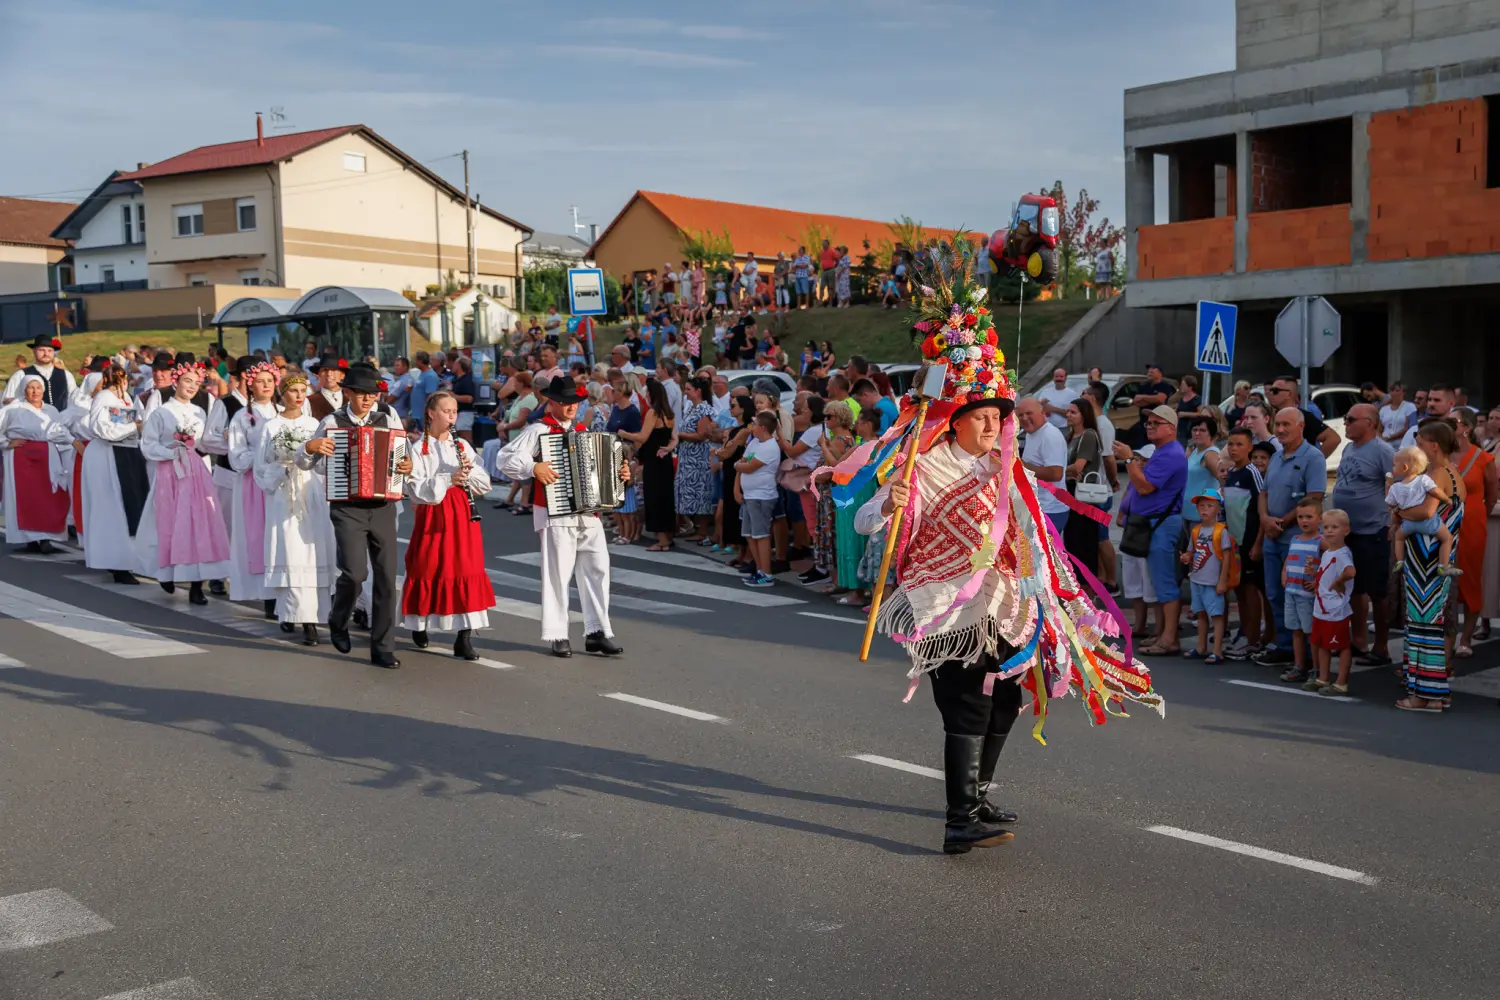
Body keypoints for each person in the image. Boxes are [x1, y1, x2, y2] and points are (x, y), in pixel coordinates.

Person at [855, 291, 1162, 855]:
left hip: (1003, 602)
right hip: (945, 603)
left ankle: (977, 797)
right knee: (969, 698)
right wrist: (888, 502)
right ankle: (958, 818)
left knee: (1003, 698)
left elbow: (1031, 530)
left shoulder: (1006, 467)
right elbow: (867, 524)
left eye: (1000, 417)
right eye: (986, 417)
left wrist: (1050, 588)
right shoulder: (925, 464)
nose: (997, 425)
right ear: (958, 420)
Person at [495, 376, 629, 658]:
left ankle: (597, 631)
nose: (571, 407)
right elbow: (505, 458)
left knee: (598, 570)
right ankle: (558, 633)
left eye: (575, 402)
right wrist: (534, 467)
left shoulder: (584, 430)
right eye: (566, 402)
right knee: (558, 573)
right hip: (556, 513)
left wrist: (620, 475)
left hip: (588, 513)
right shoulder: (539, 430)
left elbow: (602, 473)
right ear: (552, 403)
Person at [297, 362, 413, 669]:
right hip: (347, 507)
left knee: (387, 578)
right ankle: (339, 617)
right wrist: (310, 447)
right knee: (354, 573)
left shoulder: (388, 415)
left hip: (384, 505)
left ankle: (383, 647)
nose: (368, 399)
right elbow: (307, 462)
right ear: (347, 392)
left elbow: (404, 451)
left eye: (372, 393)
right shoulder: (331, 421)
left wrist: (406, 465)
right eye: (361, 393)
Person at [399, 391, 496, 661]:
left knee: (467, 567)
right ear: (432, 414)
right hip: (433, 513)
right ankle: (419, 623)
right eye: (446, 411)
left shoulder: (462, 446)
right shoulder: (418, 449)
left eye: (454, 411)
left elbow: (484, 483)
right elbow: (416, 490)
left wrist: (469, 472)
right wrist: (447, 479)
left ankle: (463, 637)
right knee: (427, 566)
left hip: (463, 513)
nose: (452, 416)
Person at [133, 362, 231, 605]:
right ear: (176, 381)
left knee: (199, 524)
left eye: (197, 383)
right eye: (188, 381)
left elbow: (204, 442)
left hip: (195, 471)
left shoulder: (200, 412)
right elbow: (148, 444)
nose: (192, 386)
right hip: (169, 472)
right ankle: (166, 572)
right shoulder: (161, 412)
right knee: (169, 522)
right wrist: (171, 452)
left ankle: (197, 584)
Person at [1397, 420, 1465, 712]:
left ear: (1433, 445)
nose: (1416, 446)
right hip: (1434, 560)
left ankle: (1426, 696)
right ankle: (1435, 690)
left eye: (1420, 441)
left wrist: (1399, 511)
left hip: (1427, 562)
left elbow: (1425, 511)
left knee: (1424, 626)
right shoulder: (1453, 472)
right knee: (1428, 626)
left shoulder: (1438, 473)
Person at [1253, 408, 1328, 667]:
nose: (1281, 429)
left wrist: (1283, 522)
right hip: (1273, 538)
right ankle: (1286, 646)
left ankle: (1306, 652)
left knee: (1300, 597)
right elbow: (1263, 492)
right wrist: (1265, 519)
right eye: (1278, 424)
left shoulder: (1313, 457)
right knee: (1275, 594)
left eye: (1286, 424)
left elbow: (1315, 497)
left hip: (1300, 541)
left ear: (1301, 426)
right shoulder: (1275, 457)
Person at [1112, 405, 1188, 655]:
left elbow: (1144, 487)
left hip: (1161, 525)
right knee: (1158, 582)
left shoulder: (1170, 454)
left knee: (1165, 584)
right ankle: (1162, 635)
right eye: (1149, 423)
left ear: (1171, 428)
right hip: (1154, 523)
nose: (1150, 426)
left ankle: (1169, 639)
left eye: (1157, 423)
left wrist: (1129, 459)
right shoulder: (1163, 452)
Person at [1330, 404, 1395, 666]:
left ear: (1369, 423)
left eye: (1350, 419)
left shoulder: (1383, 451)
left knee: (1377, 591)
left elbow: (1398, 486)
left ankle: (1381, 647)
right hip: (1349, 532)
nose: (1345, 423)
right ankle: (1358, 640)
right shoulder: (1349, 448)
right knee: (1354, 588)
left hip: (1372, 530)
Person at [81, 365, 148, 583]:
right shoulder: (103, 397)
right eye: (116, 379)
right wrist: (133, 428)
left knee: (128, 505)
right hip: (108, 456)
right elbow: (102, 428)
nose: (121, 382)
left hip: (126, 453)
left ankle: (128, 558)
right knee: (112, 507)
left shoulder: (127, 398)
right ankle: (115, 561)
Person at [224, 361, 280, 612]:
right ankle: (266, 594)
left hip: (282, 480)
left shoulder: (283, 412)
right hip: (253, 484)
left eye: (270, 380)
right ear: (251, 384)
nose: (266, 385)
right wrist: (261, 456)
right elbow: (236, 454)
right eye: (260, 381)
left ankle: (283, 587)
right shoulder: (243, 416)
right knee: (259, 535)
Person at [1, 374, 74, 553]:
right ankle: (29, 537)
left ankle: (46, 537)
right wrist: (6, 443)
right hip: (21, 458)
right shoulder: (13, 409)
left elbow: (60, 431)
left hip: (47, 456)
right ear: (24, 389)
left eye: (38, 388)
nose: (35, 391)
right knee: (27, 496)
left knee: (49, 496)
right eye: (31, 388)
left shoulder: (51, 410)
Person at [1448, 408, 1496, 656]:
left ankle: (1466, 639)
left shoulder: (1482, 458)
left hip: (1471, 523)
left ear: (1465, 427)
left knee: (1470, 578)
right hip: (1443, 524)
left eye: (1452, 421)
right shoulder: (1440, 454)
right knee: (1443, 580)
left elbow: (1492, 492)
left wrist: (1478, 515)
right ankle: (1446, 639)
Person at [1218, 428, 1268, 659]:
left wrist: (1257, 543)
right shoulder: (1230, 474)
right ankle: (1247, 634)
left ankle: (1254, 640)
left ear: (1250, 447)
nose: (1234, 448)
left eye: (1239, 444)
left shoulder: (1252, 473)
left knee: (1251, 590)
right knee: (1238, 588)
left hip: (1249, 543)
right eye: (1231, 444)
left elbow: (1261, 509)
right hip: (1233, 543)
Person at [617, 378, 676, 552]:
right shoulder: (669, 414)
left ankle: (662, 540)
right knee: (665, 499)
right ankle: (667, 537)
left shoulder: (653, 413)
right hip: (664, 460)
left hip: (653, 461)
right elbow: (674, 437)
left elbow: (643, 437)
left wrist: (624, 433)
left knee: (655, 499)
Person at [1305, 509, 1356, 695]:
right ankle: (1323, 678)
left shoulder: (1342, 553)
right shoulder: (1329, 552)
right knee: (1321, 644)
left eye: (1335, 527)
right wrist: (1315, 575)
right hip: (1322, 608)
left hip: (1336, 609)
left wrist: (1339, 582)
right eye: (1326, 527)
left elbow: (1350, 572)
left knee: (1341, 645)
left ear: (1346, 530)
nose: (1329, 531)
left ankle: (1341, 682)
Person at [1180, 488, 1234, 663]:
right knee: (1201, 614)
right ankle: (1201, 647)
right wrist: (1186, 557)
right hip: (1197, 578)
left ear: (1218, 509)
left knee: (1216, 615)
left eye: (1210, 506)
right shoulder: (1197, 531)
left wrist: (1222, 580)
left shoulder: (1221, 531)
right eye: (1201, 506)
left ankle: (1217, 650)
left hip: (1212, 581)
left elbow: (1226, 557)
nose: (1205, 509)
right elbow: (1192, 551)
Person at [1387, 446, 1457, 573]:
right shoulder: (1424, 479)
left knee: (1399, 538)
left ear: (1404, 468)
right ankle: (1443, 566)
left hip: (1407, 524)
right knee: (1447, 538)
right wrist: (1447, 500)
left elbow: (1391, 505)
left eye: (1393, 465)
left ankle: (1400, 561)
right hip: (1427, 523)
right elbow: (1435, 491)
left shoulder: (1395, 487)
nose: (1392, 468)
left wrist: (1388, 488)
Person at [1278, 497, 1324, 683]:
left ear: (1320, 519)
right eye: (1300, 517)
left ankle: (1316, 668)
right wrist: (1284, 573)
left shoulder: (1321, 541)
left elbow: (1330, 564)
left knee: (1310, 631)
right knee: (1295, 629)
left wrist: (1318, 581)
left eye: (1309, 517)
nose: (1304, 521)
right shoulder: (1295, 539)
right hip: (1292, 591)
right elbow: (1289, 559)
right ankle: (1299, 666)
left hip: (1307, 595)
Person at [734, 411, 782, 588]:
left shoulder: (770, 446)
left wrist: (738, 465)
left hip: (762, 497)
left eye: (754, 425)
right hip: (750, 496)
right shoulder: (754, 442)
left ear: (762, 428)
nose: (751, 428)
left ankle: (767, 574)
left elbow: (748, 466)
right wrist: (740, 466)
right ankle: (760, 570)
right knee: (749, 533)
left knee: (761, 535)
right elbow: (743, 461)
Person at [674, 376, 719, 542]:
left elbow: (703, 434)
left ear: (698, 391)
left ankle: (703, 530)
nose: (685, 393)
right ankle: (696, 527)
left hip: (698, 458)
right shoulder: (692, 409)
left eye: (688, 389)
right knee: (690, 493)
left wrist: (680, 435)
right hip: (688, 457)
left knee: (700, 493)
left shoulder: (703, 410)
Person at [1063, 398, 1104, 575]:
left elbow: (1078, 466)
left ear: (1084, 415)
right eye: (1068, 411)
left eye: (1073, 412)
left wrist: (1061, 471)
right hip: (1071, 491)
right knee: (1072, 540)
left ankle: (1088, 585)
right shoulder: (1071, 435)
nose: (1068, 415)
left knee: (1084, 541)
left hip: (1084, 494)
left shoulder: (1088, 435)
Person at [1016, 399, 1069, 532]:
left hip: (1049, 510)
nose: (1024, 418)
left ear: (1042, 413)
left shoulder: (1050, 435)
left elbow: (1056, 473)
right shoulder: (1031, 433)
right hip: (1036, 507)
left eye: (1029, 413)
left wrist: (1021, 466)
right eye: (1020, 415)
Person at [1265, 376, 1339, 458]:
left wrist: (1313, 462)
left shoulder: (1303, 417)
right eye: (1270, 390)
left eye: (1275, 391)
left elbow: (1333, 439)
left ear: (1289, 394)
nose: (1270, 393)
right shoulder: (1268, 415)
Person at [3, 334, 76, 411]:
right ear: (34, 351)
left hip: (61, 421)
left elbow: (75, 401)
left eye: (49, 351)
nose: (46, 354)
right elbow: (7, 402)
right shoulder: (21, 375)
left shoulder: (66, 375)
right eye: (42, 350)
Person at [1127, 364, 1173, 448]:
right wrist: (1153, 399)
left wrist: (1143, 397)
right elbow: (1137, 401)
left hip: (1157, 424)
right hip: (1143, 423)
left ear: (1160, 374)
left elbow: (1160, 399)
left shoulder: (1164, 386)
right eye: (1148, 372)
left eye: (1152, 371)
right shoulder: (1144, 386)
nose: (1149, 373)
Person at [307, 353, 346, 422]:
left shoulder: (352, 400)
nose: (329, 374)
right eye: (325, 370)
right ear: (318, 375)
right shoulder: (309, 402)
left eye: (333, 370)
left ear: (342, 375)